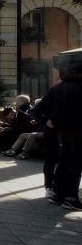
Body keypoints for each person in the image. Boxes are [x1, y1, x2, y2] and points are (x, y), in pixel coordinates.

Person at [38, 56, 82, 209]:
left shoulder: (58, 86)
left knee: (64, 162)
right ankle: (71, 197)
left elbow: (40, 107)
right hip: (78, 131)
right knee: (75, 165)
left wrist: (52, 120)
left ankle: (57, 194)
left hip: (62, 132)